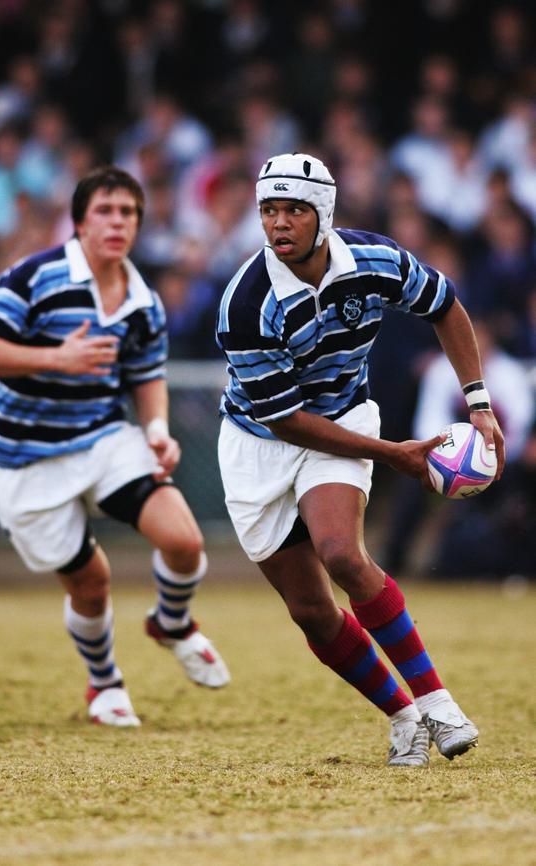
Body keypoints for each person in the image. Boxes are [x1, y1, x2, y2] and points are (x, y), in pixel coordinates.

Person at [215, 152, 505, 767]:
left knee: (342, 552)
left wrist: (477, 403)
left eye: (294, 209)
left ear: (323, 214)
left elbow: (445, 305)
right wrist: (392, 453)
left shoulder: (375, 258)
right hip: (259, 442)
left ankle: (437, 702)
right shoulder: (245, 304)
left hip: (345, 418)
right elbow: (285, 419)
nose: (279, 224)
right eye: (269, 210)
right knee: (312, 612)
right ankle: (404, 719)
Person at [0, 165, 230, 728]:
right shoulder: (36, 277)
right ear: (79, 222)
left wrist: (157, 429)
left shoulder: (143, 301)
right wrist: (54, 357)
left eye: (128, 212)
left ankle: (172, 623)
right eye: (104, 211)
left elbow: (146, 377)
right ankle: (104, 683)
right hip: (24, 457)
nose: (117, 222)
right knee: (92, 582)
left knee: (183, 542)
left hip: (102, 437)